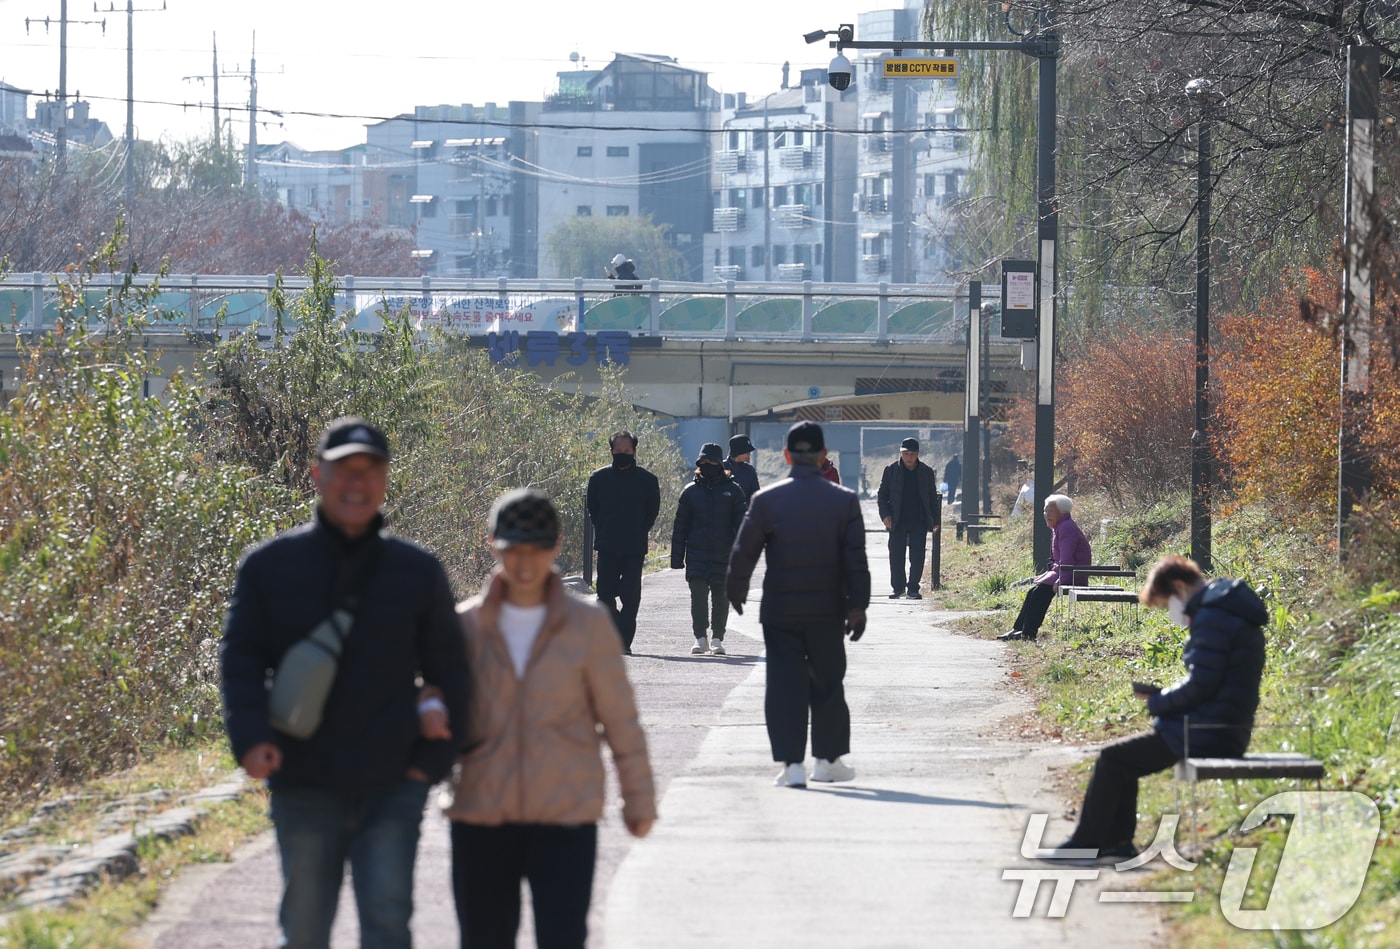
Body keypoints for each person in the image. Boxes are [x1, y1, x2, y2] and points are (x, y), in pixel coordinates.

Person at [220, 417, 469, 949]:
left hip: (393, 784)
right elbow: (240, 659)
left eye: (370, 470)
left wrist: (428, 766)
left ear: (384, 481)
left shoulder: (417, 570)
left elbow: (453, 670)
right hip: (302, 779)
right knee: (305, 929)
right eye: (344, 470)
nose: (357, 482)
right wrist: (250, 737)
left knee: (387, 925)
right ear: (317, 476)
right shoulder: (269, 566)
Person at [441, 488, 656, 948]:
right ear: (491, 544)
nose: (522, 562)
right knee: (483, 939)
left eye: (534, 549)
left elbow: (620, 719)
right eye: (511, 549)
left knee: (562, 937)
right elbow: (438, 714)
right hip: (480, 812)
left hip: (566, 814)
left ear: (556, 545)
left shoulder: (589, 625)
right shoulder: (464, 627)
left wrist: (639, 798)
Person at [1042, 555, 1266, 863]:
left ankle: (1087, 842)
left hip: (1209, 731)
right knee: (1122, 761)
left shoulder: (1213, 616)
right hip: (1220, 725)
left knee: (1112, 758)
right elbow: (1210, 681)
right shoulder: (1225, 611)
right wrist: (1164, 698)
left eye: (1166, 603)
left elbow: (1202, 684)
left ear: (1178, 586)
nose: (1170, 611)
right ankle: (1117, 842)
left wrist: (1159, 702)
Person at [727, 420, 871, 788]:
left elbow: (745, 550)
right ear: (823, 456)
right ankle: (827, 761)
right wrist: (858, 607)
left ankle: (791, 766)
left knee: (783, 685)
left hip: (780, 610)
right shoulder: (844, 501)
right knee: (827, 683)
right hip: (827, 610)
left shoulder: (767, 500)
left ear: (787, 455)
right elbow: (855, 559)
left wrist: (736, 589)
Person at [586, 429, 661, 655]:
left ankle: (623, 643)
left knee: (630, 596)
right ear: (611, 451)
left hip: (634, 547)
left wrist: (638, 531)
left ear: (634, 451)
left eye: (626, 451)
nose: (622, 454)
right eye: (618, 451)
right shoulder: (598, 478)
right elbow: (593, 509)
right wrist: (606, 529)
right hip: (607, 544)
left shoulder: (648, 480)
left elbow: (652, 512)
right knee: (604, 596)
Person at [671, 443, 748, 656]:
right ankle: (700, 638)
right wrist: (676, 558)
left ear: (720, 463)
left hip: (724, 554)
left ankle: (717, 639)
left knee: (721, 598)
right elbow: (680, 527)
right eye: (703, 462)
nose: (707, 465)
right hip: (696, 554)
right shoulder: (690, 492)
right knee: (697, 595)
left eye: (712, 462)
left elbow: (742, 526)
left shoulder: (733, 491)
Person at [997, 494, 1091, 642]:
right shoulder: (1061, 527)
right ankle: (1019, 630)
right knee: (1033, 592)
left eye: (1051, 511)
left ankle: (1028, 634)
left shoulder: (1066, 528)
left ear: (1063, 512)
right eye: (1045, 511)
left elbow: (1067, 559)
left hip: (1072, 574)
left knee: (1039, 594)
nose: (1047, 515)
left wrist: (1061, 580)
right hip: (1063, 571)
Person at [876, 437, 942, 600]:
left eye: (912, 453)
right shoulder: (891, 471)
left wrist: (936, 520)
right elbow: (882, 496)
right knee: (896, 554)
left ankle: (913, 588)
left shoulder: (926, 472)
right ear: (901, 453)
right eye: (906, 453)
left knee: (917, 555)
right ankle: (898, 588)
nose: (909, 457)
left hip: (918, 519)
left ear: (918, 454)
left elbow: (932, 498)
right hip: (897, 520)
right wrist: (885, 516)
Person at [722, 432, 761, 499]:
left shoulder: (750, 470)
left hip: (745, 508)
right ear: (738, 452)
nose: (749, 455)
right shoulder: (721, 468)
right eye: (747, 452)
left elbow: (755, 494)